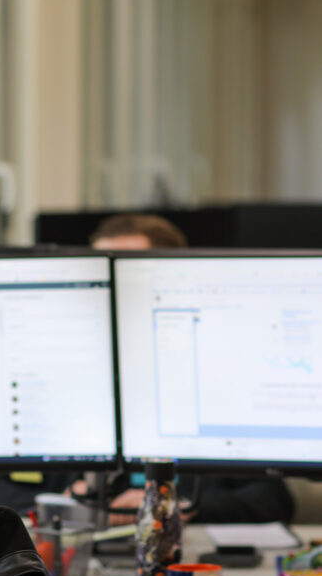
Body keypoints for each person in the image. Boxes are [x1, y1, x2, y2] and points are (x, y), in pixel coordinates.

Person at [81, 213, 294, 527]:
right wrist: (69, 501)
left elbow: (273, 501)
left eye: (129, 270)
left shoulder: (216, 379)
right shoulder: (75, 380)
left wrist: (174, 505)